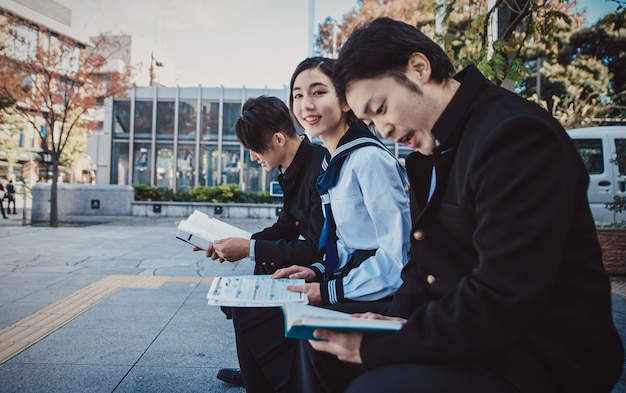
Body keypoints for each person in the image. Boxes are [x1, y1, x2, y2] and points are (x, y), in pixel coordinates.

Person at [289, 17, 625, 393]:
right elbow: (420, 268)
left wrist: (385, 343)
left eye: (381, 108)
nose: (382, 131)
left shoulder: (514, 136)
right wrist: (387, 320)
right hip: (463, 327)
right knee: (318, 342)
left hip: (536, 353)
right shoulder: (433, 151)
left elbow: (502, 298)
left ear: (419, 69)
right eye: (369, 120)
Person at [229, 57, 412, 393]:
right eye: (297, 96)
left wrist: (326, 289)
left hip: (380, 290)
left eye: (318, 92)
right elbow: (344, 242)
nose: (306, 105)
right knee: (252, 310)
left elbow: (397, 261)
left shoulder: (369, 159)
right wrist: (314, 269)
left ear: (345, 100)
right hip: (350, 277)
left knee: (292, 322)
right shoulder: (335, 159)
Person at [199, 95, 327, 387]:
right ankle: (254, 367)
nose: (253, 157)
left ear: (278, 139)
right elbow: (286, 226)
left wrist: (249, 248)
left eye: (254, 149)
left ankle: (261, 372)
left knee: (250, 293)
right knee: (247, 289)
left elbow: (317, 246)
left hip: (324, 266)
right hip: (308, 258)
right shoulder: (294, 166)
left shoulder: (319, 166)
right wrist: (231, 242)